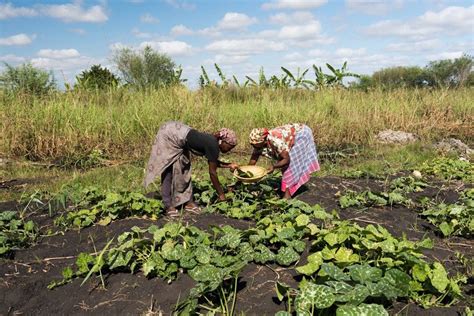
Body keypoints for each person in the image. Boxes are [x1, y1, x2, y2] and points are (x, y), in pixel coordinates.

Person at [144, 121, 238, 217]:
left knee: (183, 168)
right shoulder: (213, 145)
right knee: (168, 168)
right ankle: (167, 205)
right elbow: (212, 172)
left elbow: (213, 162)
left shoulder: (213, 142)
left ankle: (186, 202)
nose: (229, 150)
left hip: (179, 135)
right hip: (170, 134)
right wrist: (221, 195)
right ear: (223, 142)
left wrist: (229, 165)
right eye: (229, 147)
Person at [248, 123, 320, 199]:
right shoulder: (259, 144)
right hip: (293, 135)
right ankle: (287, 189)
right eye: (252, 144)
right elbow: (253, 160)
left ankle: (287, 196)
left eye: (255, 144)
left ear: (264, 141)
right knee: (285, 164)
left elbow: (286, 160)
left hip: (301, 135)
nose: (253, 146)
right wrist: (244, 173)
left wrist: (274, 166)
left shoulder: (275, 140)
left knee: (290, 166)